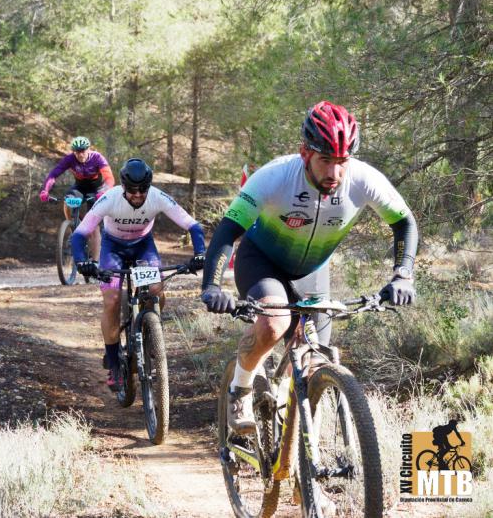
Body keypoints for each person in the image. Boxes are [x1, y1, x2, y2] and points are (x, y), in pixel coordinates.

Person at [201, 100, 418, 434]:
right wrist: (212, 286)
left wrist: (403, 274)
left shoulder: (363, 179)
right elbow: (229, 230)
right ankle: (240, 389)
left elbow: (404, 223)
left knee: (313, 361)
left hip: (312, 272)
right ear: (305, 154)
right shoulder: (274, 176)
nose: (335, 173)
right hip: (262, 261)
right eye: (325, 160)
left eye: (342, 162)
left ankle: (299, 466)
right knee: (274, 323)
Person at [71, 158, 206, 390]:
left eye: (142, 189)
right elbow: (80, 233)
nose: (137, 195)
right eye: (132, 190)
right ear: (123, 187)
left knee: (156, 290)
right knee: (112, 299)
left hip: (143, 246)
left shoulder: (157, 196)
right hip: (113, 248)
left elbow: (192, 225)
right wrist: (82, 261)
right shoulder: (110, 198)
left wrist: (201, 253)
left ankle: (149, 330)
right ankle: (113, 363)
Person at [39, 137, 115, 259]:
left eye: (83, 151)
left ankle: (95, 263)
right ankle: (75, 226)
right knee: (68, 200)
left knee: (94, 227)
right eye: (77, 151)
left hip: (96, 190)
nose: (80, 154)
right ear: (74, 152)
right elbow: (54, 174)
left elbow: (109, 178)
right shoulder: (69, 159)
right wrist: (45, 190)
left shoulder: (97, 157)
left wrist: (103, 191)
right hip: (79, 187)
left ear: (89, 149)